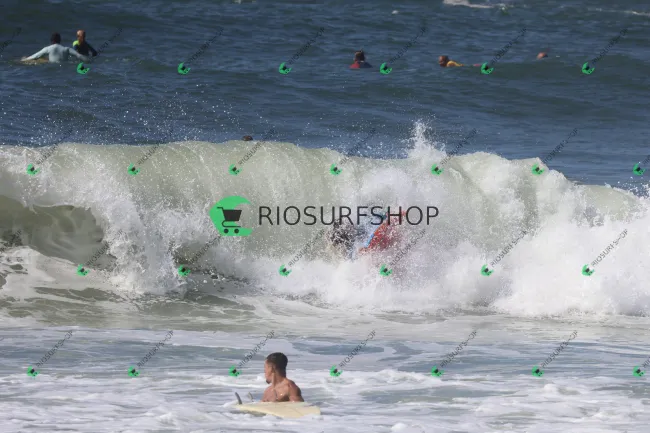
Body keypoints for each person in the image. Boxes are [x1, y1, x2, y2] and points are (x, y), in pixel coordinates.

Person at [22, 33, 89, 63]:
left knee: (41, 59)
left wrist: (24, 60)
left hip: (52, 68)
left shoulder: (47, 48)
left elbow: (35, 56)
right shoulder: (66, 49)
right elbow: (79, 56)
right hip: (64, 67)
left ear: (51, 41)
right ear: (60, 40)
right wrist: (89, 61)